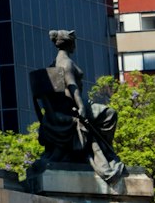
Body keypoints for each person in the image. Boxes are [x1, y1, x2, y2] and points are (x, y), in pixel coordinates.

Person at [30, 29, 126, 186]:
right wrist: (81, 107)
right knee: (110, 113)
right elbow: (72, 86)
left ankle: (102, 150)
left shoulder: (55, 62)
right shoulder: (66, 63)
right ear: (71, 43)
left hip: (63, 108)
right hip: (73, 107)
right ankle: (106, 152)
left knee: (104, 112)